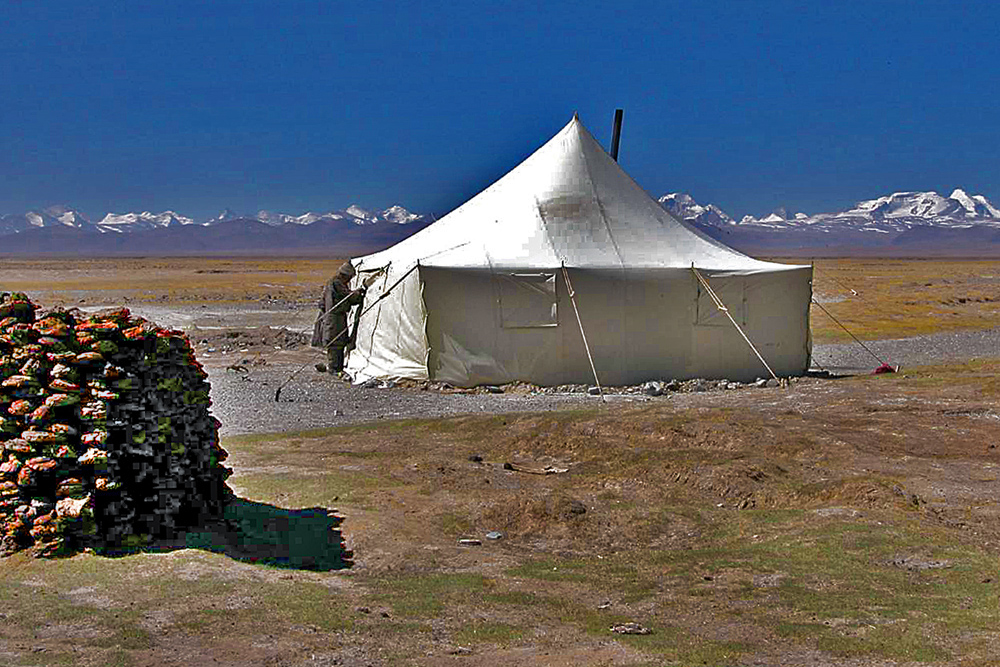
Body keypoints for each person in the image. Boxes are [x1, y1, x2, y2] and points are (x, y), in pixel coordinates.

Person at [312, 261, 366, 374]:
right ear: (345, 276)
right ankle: (335, 368)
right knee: (336, 341)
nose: (349, 280)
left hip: (331, 316)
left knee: (336, 341)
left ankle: (335, 367)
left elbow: (323, 303)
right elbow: (348, 297)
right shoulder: (337, 284)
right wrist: (358, 294)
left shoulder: (331, 283)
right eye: (349, 278)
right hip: (334, 318)